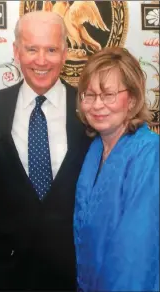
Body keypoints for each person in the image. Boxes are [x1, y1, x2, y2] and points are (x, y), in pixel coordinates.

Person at [0, 11, 91, 290]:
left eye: (51, 49)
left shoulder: (89, 110)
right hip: (8, 270)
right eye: (32, 49)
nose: (41, 60)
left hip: (74, 267)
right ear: (16, 51)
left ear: (65, 53)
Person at [74, 47, 159, 291]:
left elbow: (135, 254)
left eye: (108, 94)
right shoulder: (94, 149)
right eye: (89, 95)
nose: (97, 105)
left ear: (132, 98)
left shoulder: (150, 153)